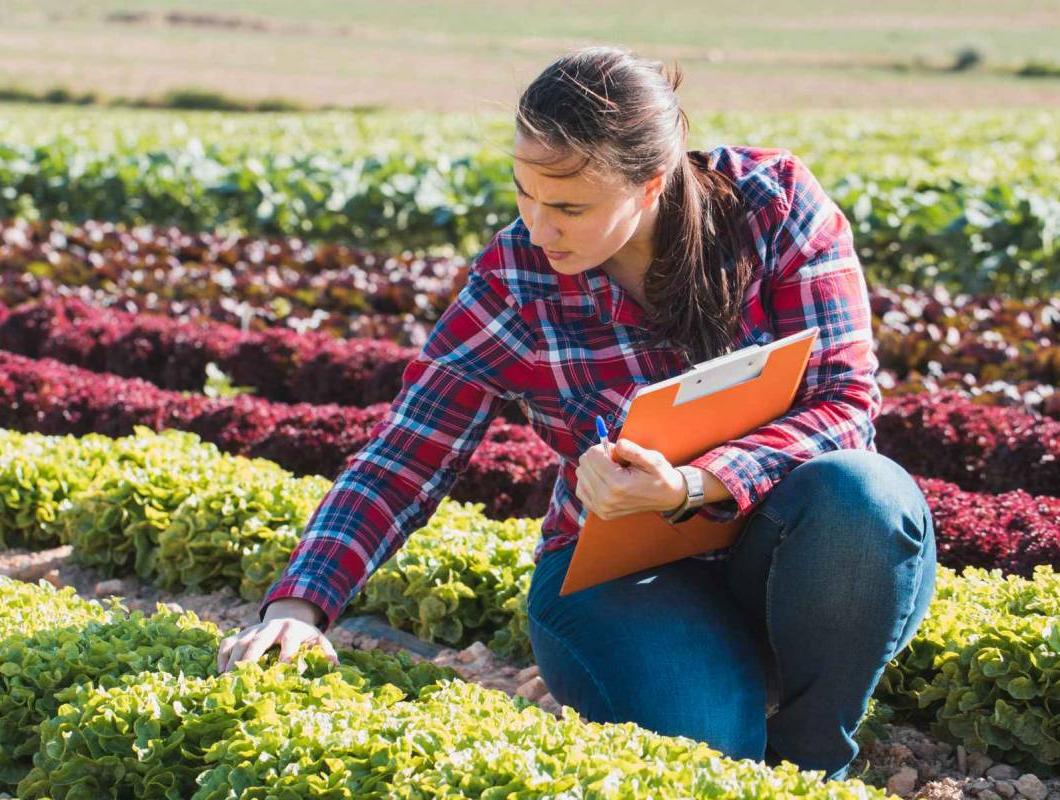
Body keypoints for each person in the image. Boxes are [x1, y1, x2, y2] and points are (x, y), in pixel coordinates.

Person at [214, 45, 939, 782]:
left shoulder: (773, 208)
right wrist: (300, 606)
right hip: (619, 579)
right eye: (524, 194)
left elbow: (846, 405)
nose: (537, 227)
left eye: (567, 206)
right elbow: (407, 453)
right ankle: (725, 687)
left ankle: (814, 759)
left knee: (863, 495)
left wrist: (692, 485)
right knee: (713, 757)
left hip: (793, 551)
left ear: (651, 183)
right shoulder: (518, 282)